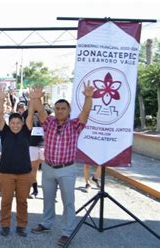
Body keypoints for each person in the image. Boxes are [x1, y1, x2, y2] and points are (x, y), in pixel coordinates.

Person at [30, 84, 94, 246]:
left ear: (68, 110)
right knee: (48, 199)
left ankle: (67, 232)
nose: (60, 111)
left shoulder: (75, 125)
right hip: (48, 168)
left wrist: (88, 97)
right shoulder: (49, 122)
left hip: (67, 169)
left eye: (63, 108)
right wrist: (37, 98)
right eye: (57, 108)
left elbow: (86, 112)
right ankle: (46, 223)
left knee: (68, 202)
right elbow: (41, 111)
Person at [0, 88, 35, 237]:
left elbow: (30, 115)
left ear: (22, 123)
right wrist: (0, 100)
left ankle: (21, 226)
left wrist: (32, 100)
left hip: (24, 173)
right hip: (5, 173)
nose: (15, 125)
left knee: (22, 201)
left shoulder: (26, 131)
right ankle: (5, 225)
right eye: (12, 122)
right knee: (6, 201)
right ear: (9, 123)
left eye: (18, 122)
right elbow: (0, 115)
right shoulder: (4, 131)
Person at [22, 101, 52, 199]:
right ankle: (34, 190)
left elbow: (52, 113)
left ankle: (50, 191)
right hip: (32, 145)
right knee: (33, 169)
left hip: (44, 145)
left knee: (48, 169)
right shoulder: (27, 113)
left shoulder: (46, 111)